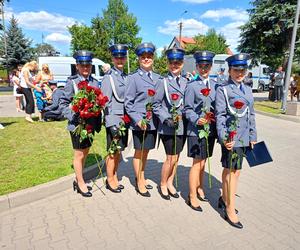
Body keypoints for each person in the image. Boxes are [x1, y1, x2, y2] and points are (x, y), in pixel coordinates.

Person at [215, 53, 257, 229]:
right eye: (236, 70)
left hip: (245, 138)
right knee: (233, 172)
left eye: (242, 70)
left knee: (232, 171)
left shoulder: (247, 89)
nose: (240, 73)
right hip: (231, 139)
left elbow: (251, 114)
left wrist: (253, 136)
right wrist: (225, 138)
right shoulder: (223, 90)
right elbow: (220, 116)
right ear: (230, 71)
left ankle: (224, 199)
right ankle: (230, 209)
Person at [60, 50, 102, 197]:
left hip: (90, 123)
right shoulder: (72, 82)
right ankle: (81, 182)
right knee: (79, 153)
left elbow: (98, 100)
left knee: (85, 151)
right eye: (82, 65)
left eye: (88, 65)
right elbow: (63, 103)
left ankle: (79, 178)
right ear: (77, 66)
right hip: (77, 124)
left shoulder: (95, 82)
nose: (86, 68)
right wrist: (73, 114)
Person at [124, 42, 160, 197]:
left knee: (146, 152)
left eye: (149, 56)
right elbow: (128, 102)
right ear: (138, 59)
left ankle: (142, 176)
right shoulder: (133, 78)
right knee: (139, 152)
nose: (146, 59)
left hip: (152, 122)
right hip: (140, 122)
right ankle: (139, 181)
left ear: (153, 58)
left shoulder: (158, 78)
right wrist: (137, 119)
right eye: (143, 57)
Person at [184, 51, 218, 211]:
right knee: (197, 163)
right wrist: (197, 119)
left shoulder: (216, 86)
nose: (204, 69)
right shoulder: (192, 86)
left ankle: (199, 188)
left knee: (204, 162)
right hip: (196, 131)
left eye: (207, 66)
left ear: (211, 67)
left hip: (209, 131)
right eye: (201, 66)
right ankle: (191, 196)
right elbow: (187, 109)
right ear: (196, 67)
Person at [152, 48, 188, 200]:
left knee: (177, 158)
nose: (175, 65)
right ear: (167, 63)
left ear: (182, 63)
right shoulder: (162, 82)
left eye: (178, 62)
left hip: (182, 126)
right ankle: (162, 184)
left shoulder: (187, 81)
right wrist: (165, 118)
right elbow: (156, 105)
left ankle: (170, 182)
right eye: (172, 62)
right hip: (168, 126)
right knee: (170, 158)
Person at [101, 44, 129, 193]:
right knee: (113, 151)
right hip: (115, 119)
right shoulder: (108, 78)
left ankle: (114, 175)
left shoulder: (125, 76)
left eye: (122, 57)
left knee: (119, 150)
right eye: (117, 57)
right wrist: (110, 122)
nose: (120, 59)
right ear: (112, 58)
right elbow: (105, 102)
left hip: (125, 119)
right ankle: (109, 179)